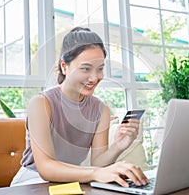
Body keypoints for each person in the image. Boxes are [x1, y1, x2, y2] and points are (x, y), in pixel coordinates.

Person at [10, 27, 149, 187]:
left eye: (100, 69)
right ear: (64, 66)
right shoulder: (41, 104)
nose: (94, 77)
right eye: (85, 68)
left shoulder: (100, 110)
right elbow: (45, 167)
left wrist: (118, 146)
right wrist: (96, 173)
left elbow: (98, 163)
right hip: (33, 182)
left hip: (72, 181)